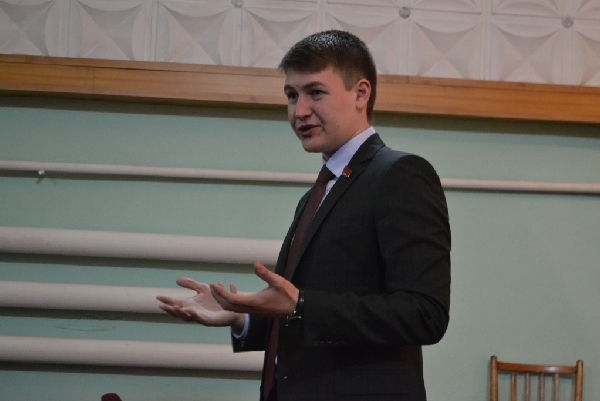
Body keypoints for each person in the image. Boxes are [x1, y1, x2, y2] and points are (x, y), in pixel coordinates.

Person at [157, 30, 451, 401]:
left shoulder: (400, 174)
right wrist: (241, 315)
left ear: (361, 94)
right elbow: (305, 316)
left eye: (315, 93)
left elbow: (424, 313)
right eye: (292, 96)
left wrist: (301, 305)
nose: (299, 112)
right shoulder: (317, 194)